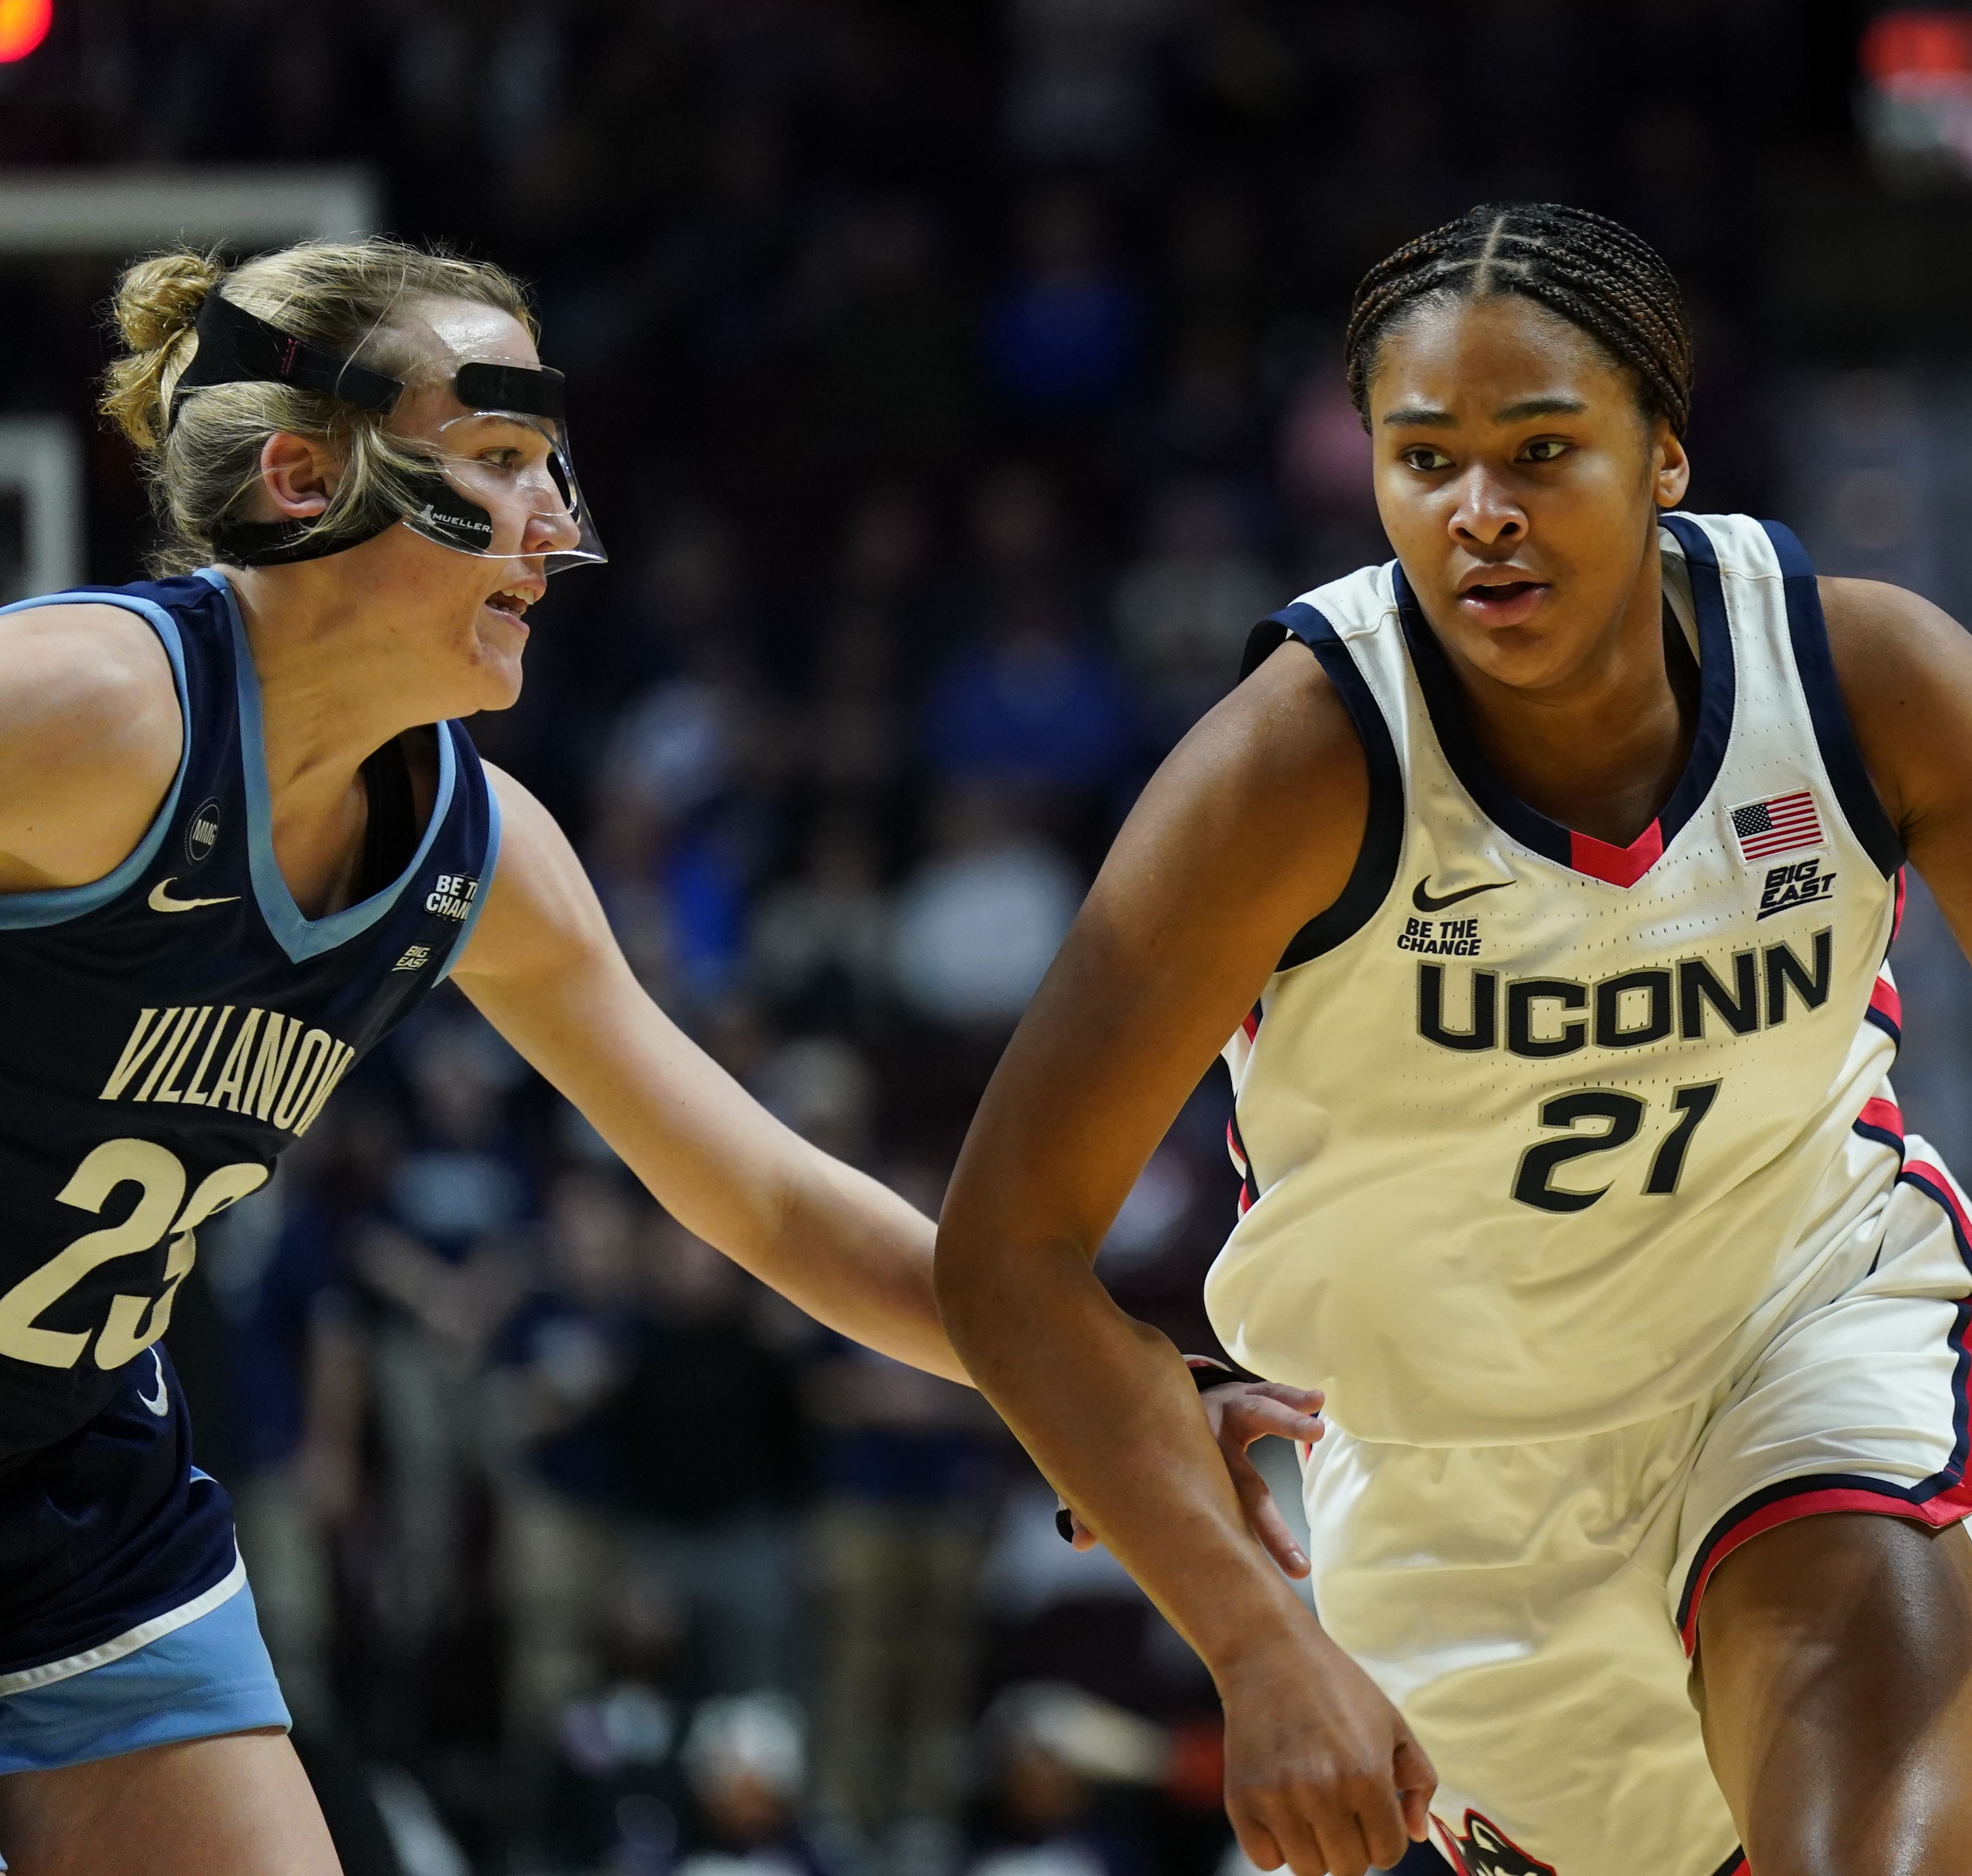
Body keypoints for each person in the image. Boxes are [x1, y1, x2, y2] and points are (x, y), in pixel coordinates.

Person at [936, 201, 1972, 1876]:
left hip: (1794, 1329)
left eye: (1542, 449)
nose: (1478, 512)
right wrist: (1255, 1638)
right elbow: (1007, 1249)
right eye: (1424, 461)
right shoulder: (1289, 765)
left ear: (1665, 457)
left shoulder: (1870, 677)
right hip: (1450, 1471)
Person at [0, 238, 1301, 1876]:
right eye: (495, 464)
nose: (551, 531)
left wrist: (1115, 1387)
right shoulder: (81, 709)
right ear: (301, 476)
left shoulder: (479, 852)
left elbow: (766, 1200)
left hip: (76, 1468)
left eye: (552, 471)